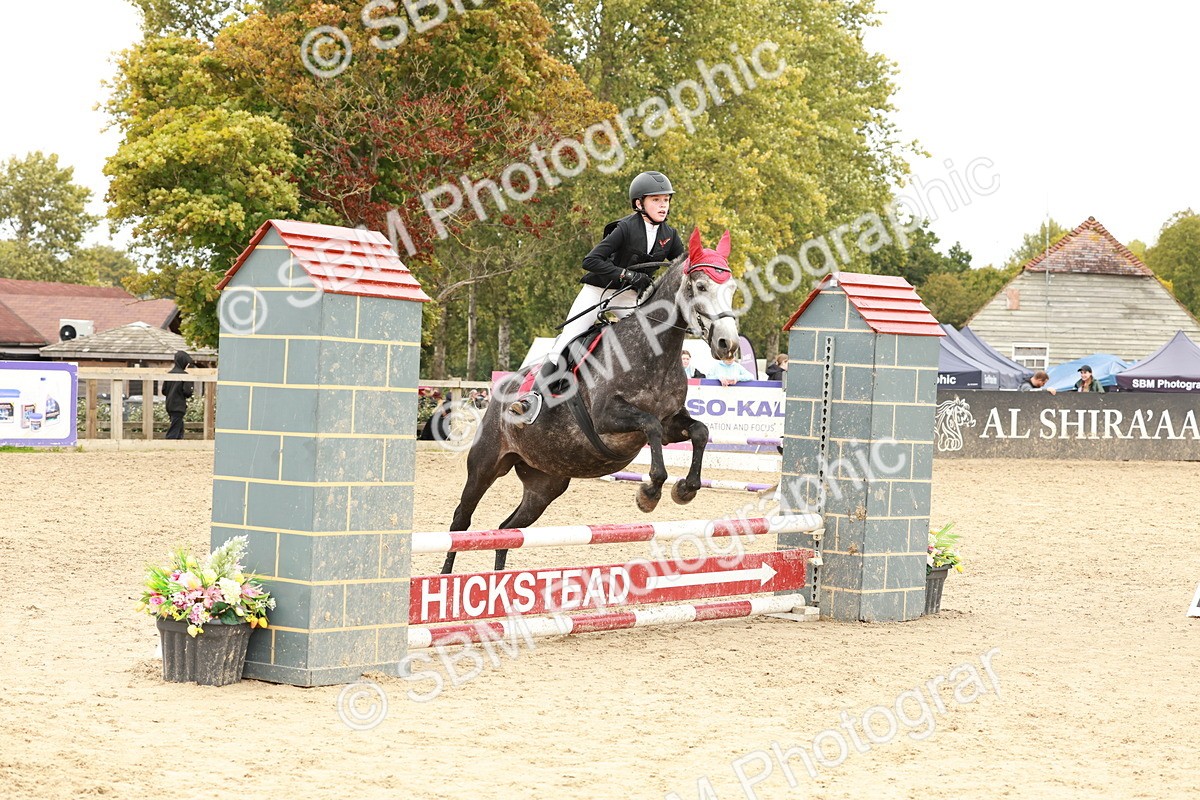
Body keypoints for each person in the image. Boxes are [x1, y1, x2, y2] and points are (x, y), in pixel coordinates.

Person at [509, 171, 685, 425]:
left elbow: (683, 265)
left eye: (666, 200)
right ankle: (530, 398)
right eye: (656, 200)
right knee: (568, 339)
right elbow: (590, 260)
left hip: (628, 299)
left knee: (652, 338)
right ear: (639, 204)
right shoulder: (625, 228)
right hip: (599, 292)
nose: (663, 205)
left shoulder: (670, 234)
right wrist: (627, 275)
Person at [162, 350, 194, 440]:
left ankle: (179, 442)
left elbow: (164, 390)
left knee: (178, 425)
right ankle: (170, 443)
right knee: (174, 429)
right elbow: (187, 392)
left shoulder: (169, 374)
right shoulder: (184, 375)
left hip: (169, 404)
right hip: (178, 406)